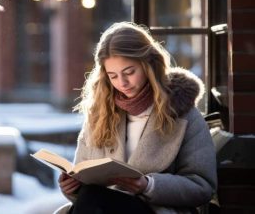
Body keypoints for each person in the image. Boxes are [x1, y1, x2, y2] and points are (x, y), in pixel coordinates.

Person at [55, 22, 217, 214]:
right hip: (100, 206)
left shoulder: (184, 115)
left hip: (154, 209)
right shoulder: (99, 115)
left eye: (129, 72)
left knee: (93, 198)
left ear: (148, 64)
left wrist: (148, 185)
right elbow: (84, 176)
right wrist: (73, 188)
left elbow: (202, 186)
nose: (122, 83)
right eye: (113, 76)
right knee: (91, 195)